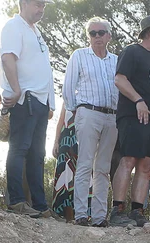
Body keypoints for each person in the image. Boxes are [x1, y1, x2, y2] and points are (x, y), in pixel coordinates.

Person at [110, 14, 150, 228]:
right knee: (128, 160)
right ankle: (117, 210)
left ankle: (137, 211)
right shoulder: (132, 51)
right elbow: (119, 79)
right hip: (134, 115)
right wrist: (138, 100)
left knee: (145, 165)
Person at [0, 0, 55, 218]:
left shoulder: (36, 32)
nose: (41, 9)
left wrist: (50, 102)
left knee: (37, 155)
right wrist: (16, 90)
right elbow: (8, 58)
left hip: (40, 101)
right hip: (25, 98)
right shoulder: (14, 26)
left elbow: (45, 68)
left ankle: (40, 205)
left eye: (43, 5)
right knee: (19, 149)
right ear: (23, 3)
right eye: (37, 4)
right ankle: (16, 201)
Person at [62, 18, 119, 227]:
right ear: (88, 36)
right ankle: (80, 214)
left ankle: (99, 217)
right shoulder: (79, 55)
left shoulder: (116, 60)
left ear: (109, 36)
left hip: (112, 115)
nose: (97, 37)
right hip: (88, 112)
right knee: (85, 164)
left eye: (101, 32)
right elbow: (68, 87)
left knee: (103, 167)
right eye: (92, 33)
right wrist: (76, 110)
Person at [50, 101, 78, 221]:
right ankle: (65, 213)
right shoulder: (67, 99)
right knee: (64, 175)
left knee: (80, 175)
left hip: (81, 140)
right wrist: (56, 141)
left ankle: (80, 214)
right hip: (65, 140)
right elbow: (61, 121)